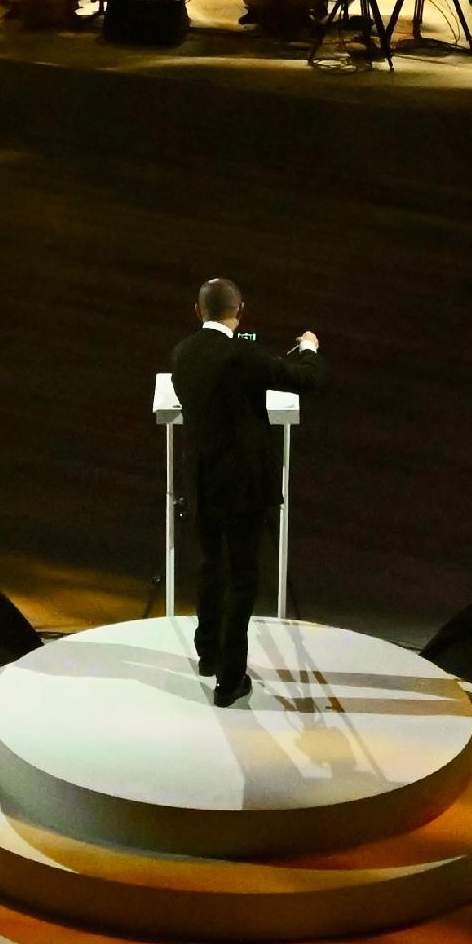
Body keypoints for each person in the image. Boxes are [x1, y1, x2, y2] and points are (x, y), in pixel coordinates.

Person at [164, 279, 325, 709]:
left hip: (202, 481)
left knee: (211, 567)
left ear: (197, 312)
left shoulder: (182, 353)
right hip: (243, 487)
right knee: (242, 578)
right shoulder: (246, 356)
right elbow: (307, 379)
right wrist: (308, 345)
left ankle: (208, 655)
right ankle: (230, 680)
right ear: (241, 311)